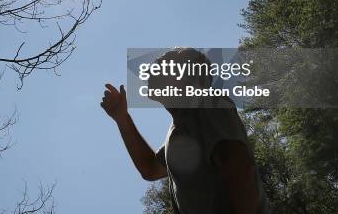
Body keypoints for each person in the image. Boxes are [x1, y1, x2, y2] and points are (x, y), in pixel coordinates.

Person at [101, 48, 270, 214]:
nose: (154, 66)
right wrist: (122, 118)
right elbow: (150, 168)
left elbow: (238, 167)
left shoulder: (208, 104)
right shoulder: (180, 128)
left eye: (164, 63)